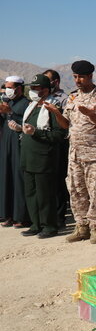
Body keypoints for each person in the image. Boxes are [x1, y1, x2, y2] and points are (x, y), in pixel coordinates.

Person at [48, 60, 96, 244]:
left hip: (94, 153)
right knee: (76, 190)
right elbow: (66, 125)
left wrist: (92, 115)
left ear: (90, 76)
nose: (77, 80)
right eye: (75, 76)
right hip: (75, 153)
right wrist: (57, 113)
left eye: (81, 77)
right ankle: (81, 227)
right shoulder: (72, 97)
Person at [8, 74, 67, 238]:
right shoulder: (32, 106)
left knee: (45, 194)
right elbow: (29, 128)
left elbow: (58, 135)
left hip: (44, 158)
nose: (32, 91)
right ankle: (36, 224)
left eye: (36, 88)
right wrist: (20, 128)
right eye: (31, 88)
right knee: (31, 193)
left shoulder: (52, 107)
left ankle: (49, 226)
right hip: (28, 157)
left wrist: (36, 132)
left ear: (46, 90)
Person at [0, 76, 29, 228]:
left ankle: (21, 216)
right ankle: (7, 214)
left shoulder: (26, 103)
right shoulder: (8, 101)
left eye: (10, 87)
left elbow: (25, 121)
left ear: (18, 88)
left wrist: (10, 112)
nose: (8, 90)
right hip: (6, 142)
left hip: (18, 143)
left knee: (18, 178)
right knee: (6, 176)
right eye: (6, 87)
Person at [43, 69, 69, 227]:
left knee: (59, 180)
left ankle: (60, 217)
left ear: (56, 82)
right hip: (45, 144)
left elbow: (66, 122)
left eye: (48, 81)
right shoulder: (44, 97)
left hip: (60, 143)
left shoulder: (64, 99)